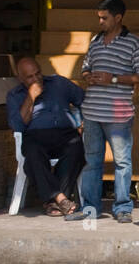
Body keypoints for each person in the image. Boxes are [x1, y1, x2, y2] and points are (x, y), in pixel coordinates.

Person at [66, 0, 139, 224]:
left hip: (119, 115)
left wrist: (112, 78)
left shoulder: (133, 43)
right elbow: (86, 67)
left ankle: (123, 207)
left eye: (104, 18)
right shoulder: (95, 41)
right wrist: (88, 76)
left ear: (118, 18)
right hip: (92, 113)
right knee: (92, 162)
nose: (100, 21)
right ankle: (89, 207)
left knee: (122, 162)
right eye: (99, 17)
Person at [6, 56, 85, 217]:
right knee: (32, 155)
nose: (36, 79)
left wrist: (84, 124)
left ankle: (53, 203)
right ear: (20, 78)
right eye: (30, 77)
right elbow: (18, 125)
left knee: (77, 148)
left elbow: (85, 100)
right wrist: (31, 97)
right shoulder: (15, 95)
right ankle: (61, 198)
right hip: (35, 136)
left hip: (65, 133)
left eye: (38, 73)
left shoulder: (59, 84)